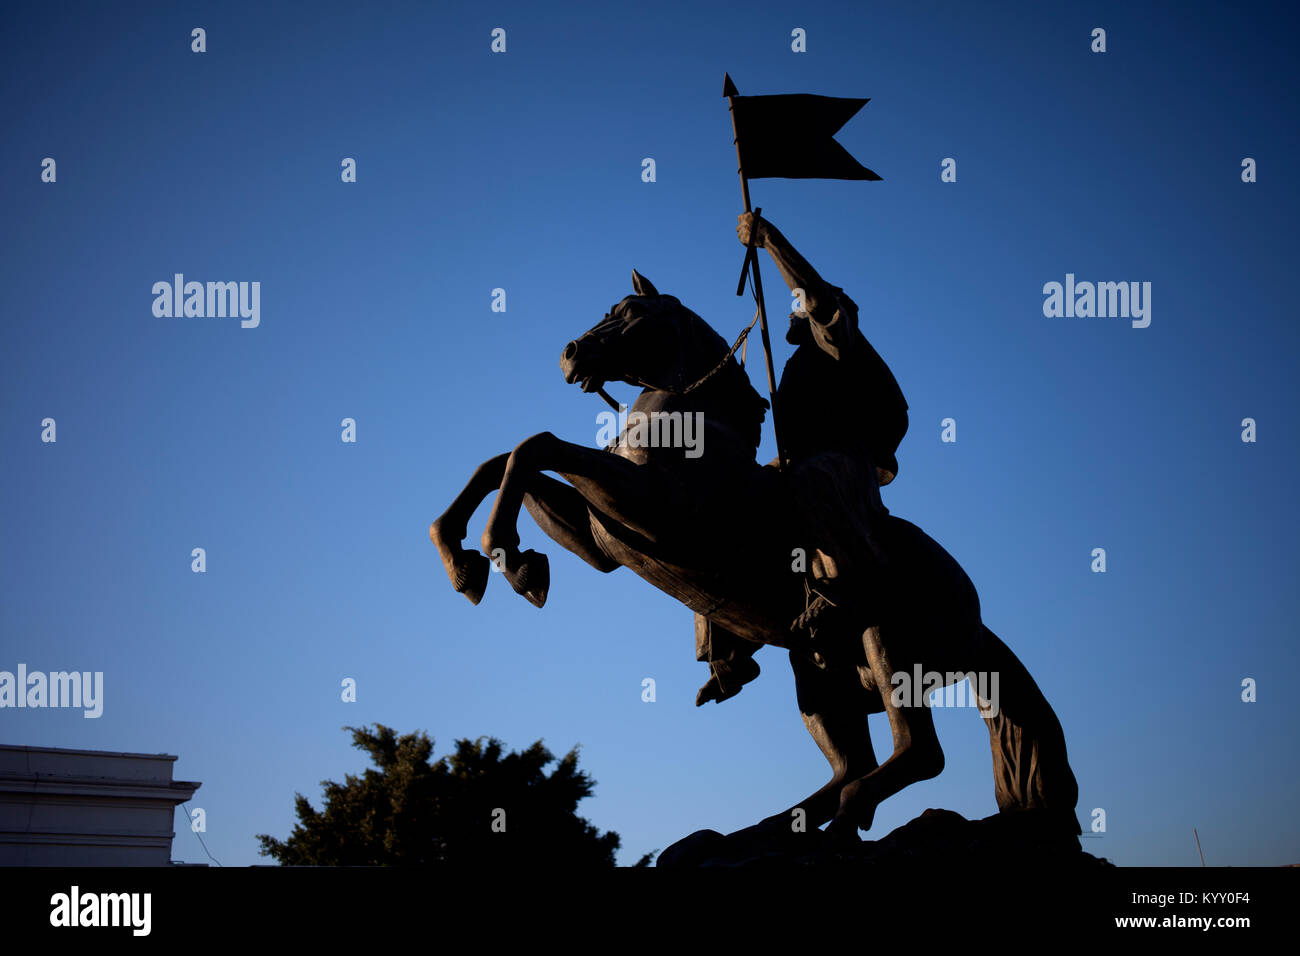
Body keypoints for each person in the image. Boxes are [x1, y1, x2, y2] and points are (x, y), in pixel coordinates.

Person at [695, 212, 908, 705]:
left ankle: (835, 594)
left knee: (809, 478)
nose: (797, 312)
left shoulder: (839, 343)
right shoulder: (799, 363)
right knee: (726, 496)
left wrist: (769, 240)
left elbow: (814, 294)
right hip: (793, 460)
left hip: (842, 464)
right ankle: (727, 651)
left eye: (802, 309)